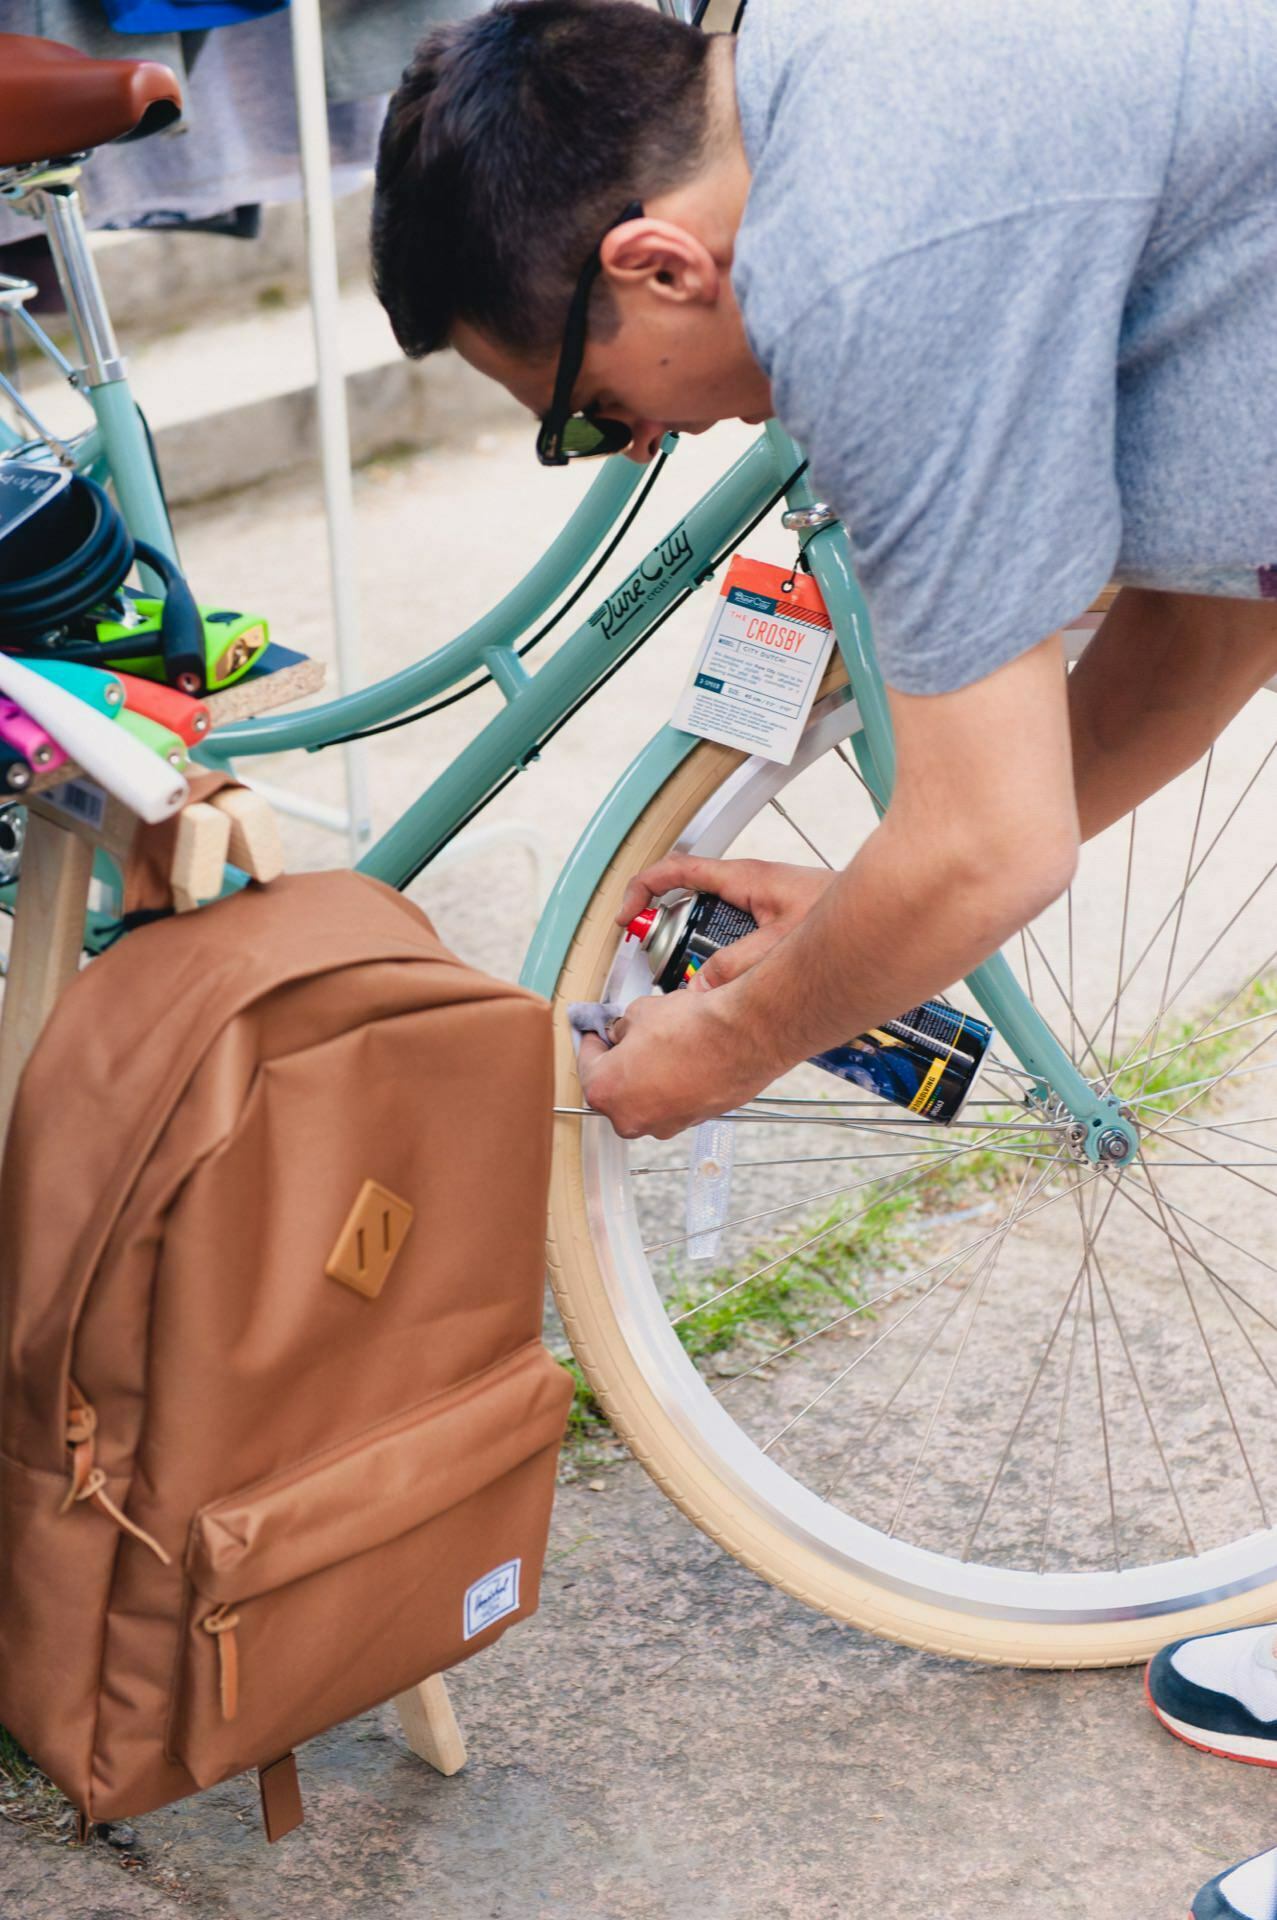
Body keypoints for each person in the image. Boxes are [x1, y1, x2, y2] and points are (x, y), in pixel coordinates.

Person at [370, 5, 1277, 1911]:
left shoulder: (864, 258)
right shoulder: (832, 91)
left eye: (586, 414)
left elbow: (988, 841)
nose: (641, 440)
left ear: (653, 263)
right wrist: (880, 882)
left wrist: (723, 1048)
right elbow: (1208, 627)